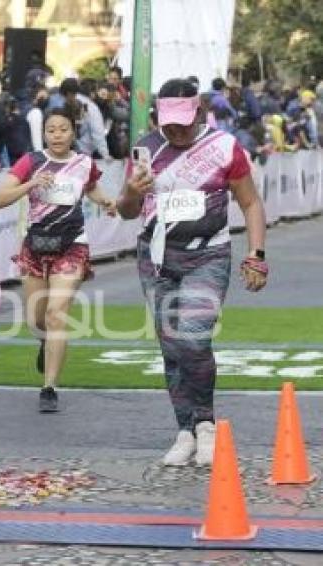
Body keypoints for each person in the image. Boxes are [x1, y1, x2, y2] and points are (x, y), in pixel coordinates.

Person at [117, 78, 268, 466]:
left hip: (208, 255)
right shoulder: (146, 149)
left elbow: (250, 203)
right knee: (171, 347)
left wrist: (256, 254)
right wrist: (134, 190)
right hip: (156, 257)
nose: (175, 129)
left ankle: (206, 425)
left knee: (194, 339)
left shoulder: (223, 148)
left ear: (199, 111)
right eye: (168, 121)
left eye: (183, 120)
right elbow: (127, 210)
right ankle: (185, 429)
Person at [0, 107, 117, 413]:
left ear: (72, 132)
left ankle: (49, 387)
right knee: (36, 319)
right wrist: (31, 184)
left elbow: (91, 187)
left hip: (71, 245)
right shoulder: (31, 161)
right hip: (35, 245)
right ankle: (44, 343)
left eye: (63, 129)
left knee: (55, 313)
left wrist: (105, 201)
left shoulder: (83, 163)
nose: (57, 135)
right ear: (44, 134)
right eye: (51, 130)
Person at [56, 78, 112, 162]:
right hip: (81, 151)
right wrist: (105, 154)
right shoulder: (90, 107)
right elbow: (97, 131)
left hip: (63, 150)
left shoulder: (58, 103)